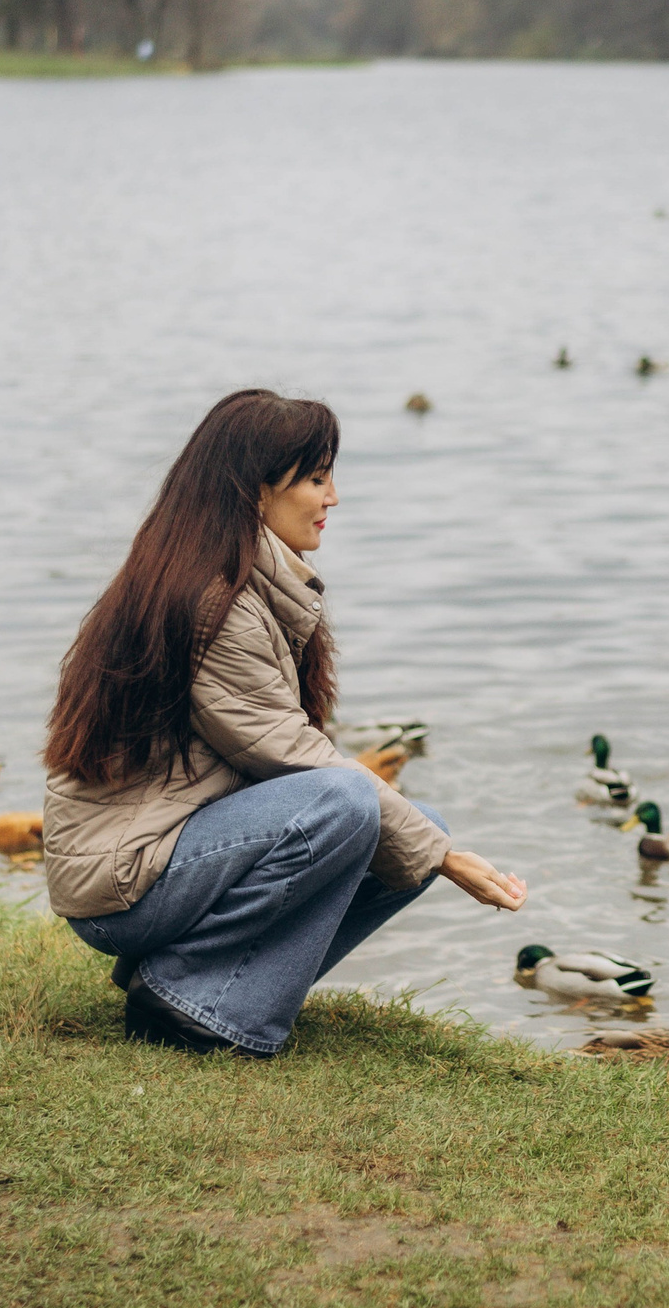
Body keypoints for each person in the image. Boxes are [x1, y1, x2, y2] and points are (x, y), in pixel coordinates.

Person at [42, 389, 525, 1053]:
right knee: (355, 806)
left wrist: (430, 845)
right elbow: (290, 752)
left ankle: (190, 979)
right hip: (124, 884)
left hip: (160, 864)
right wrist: (442, 857)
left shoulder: (236, 581)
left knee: (412, 827)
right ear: (256, 491)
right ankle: (196, 1001)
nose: (334, 498)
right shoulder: (214, 602)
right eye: (317, 478)